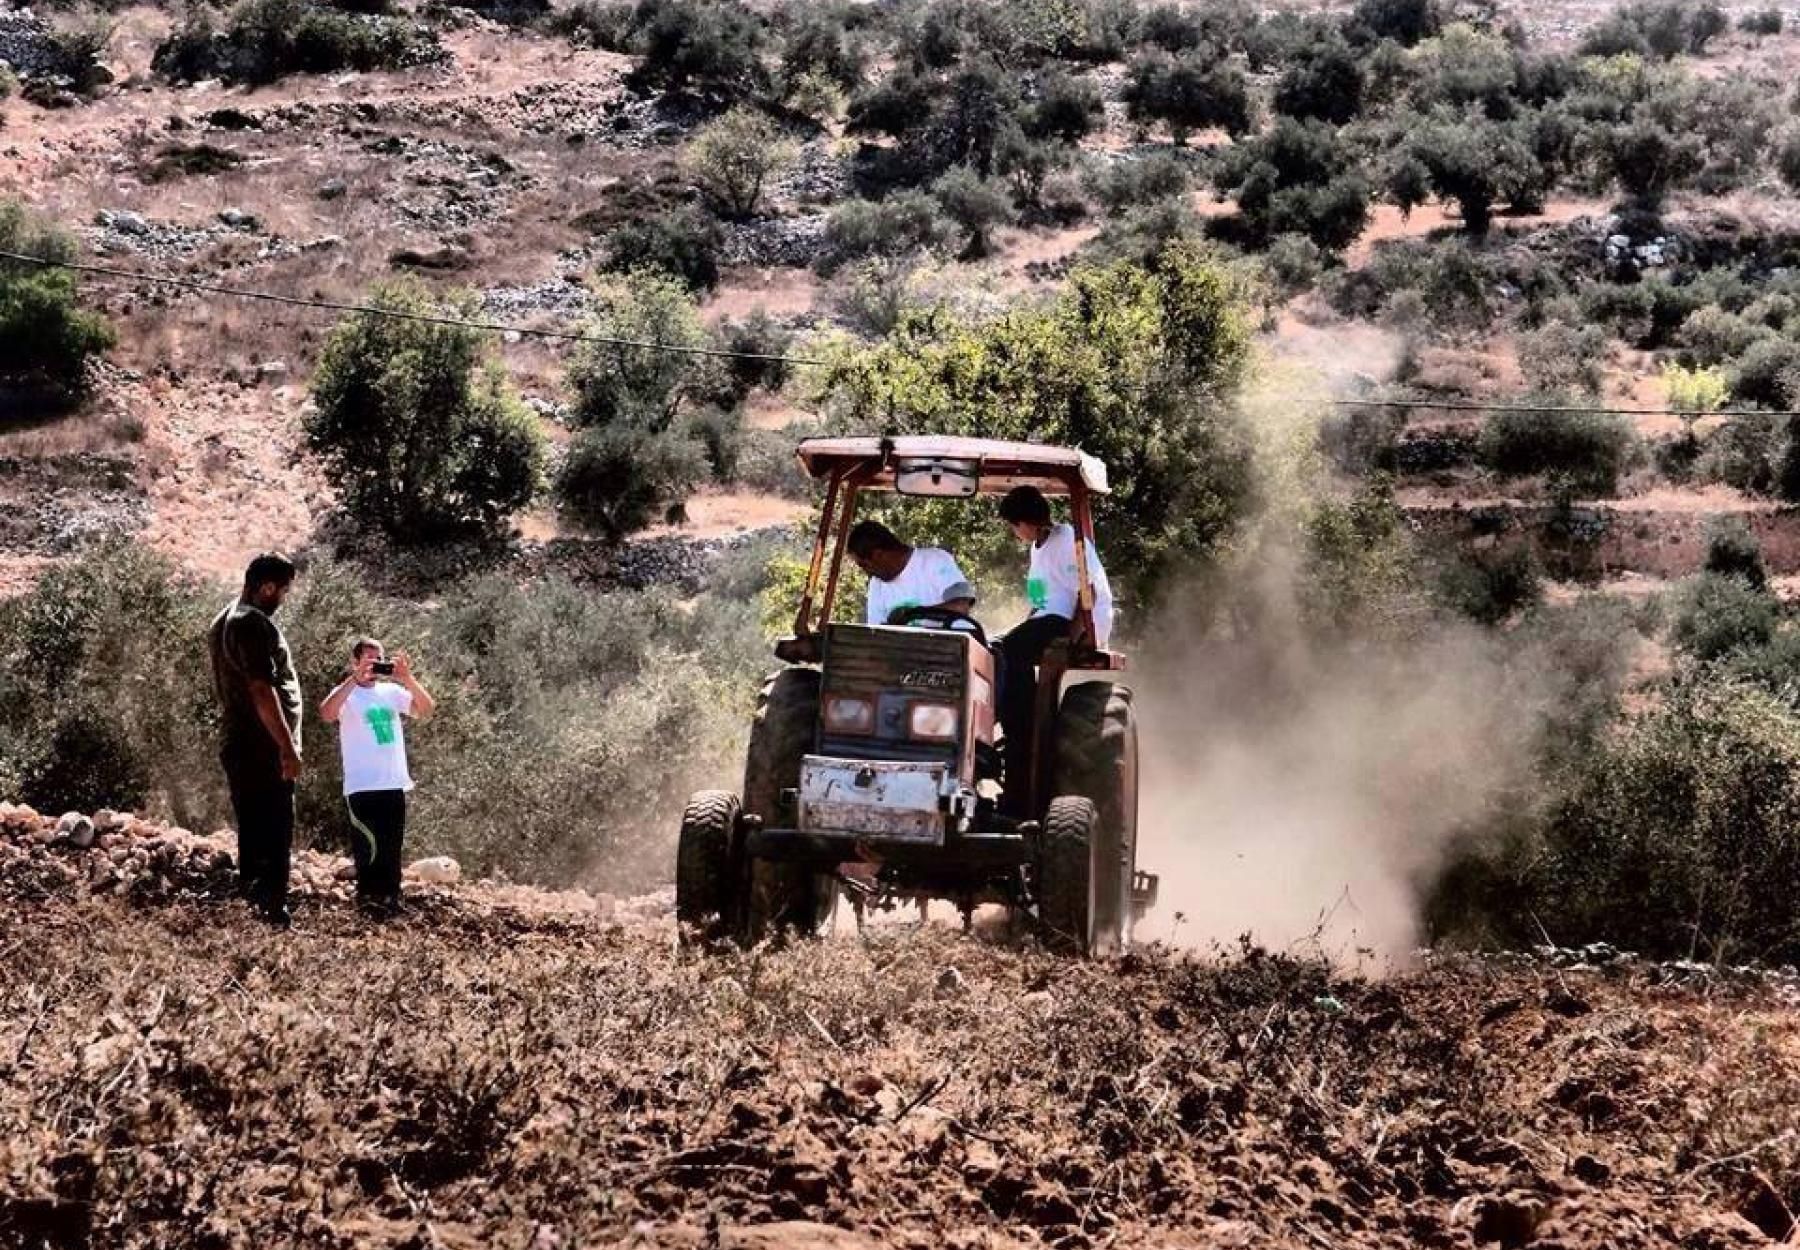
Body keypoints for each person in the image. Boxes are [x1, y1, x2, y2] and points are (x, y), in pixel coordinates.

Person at [993, 486, 1115, 794]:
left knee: (1012, 650)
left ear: (1026, 522)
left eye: (1014, 525)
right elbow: (1038, 594)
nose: (1014, 532)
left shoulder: (1068, 542)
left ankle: (1023, 719)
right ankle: (1008, 713)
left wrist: (1075, 637)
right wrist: (1024, 624)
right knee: (994, 647)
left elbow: (1088, 593)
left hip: (1076, 619)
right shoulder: (1037, 548)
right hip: (1049, 616)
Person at [208, 553, 303, 928]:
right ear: (266, 588)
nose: (283, 598)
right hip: (261, 748)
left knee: (253, 831)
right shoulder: (250, 623)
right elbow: (262, 690)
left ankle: (252, 913)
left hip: (242, 744)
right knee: (274, 831)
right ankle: (271, 916)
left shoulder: (224, 619)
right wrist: (287, 747)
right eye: (282, 591)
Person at [319, 638, 435, 917]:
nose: (375, 665)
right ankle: (368, 906)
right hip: (362, 787)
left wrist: (408, 679)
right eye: (369, 659)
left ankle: (391, 904)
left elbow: (427, 709)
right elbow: (326, 713)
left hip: (393, 783)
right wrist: (353, 680)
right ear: (355, 661)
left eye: (379, 658)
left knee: (391, 848)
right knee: (367, 848)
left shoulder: (391, 692)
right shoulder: (346, 694)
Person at [847, 520, 978, 626]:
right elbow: (875, 633)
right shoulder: (876, 585)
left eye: (864, 565)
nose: (866, 573)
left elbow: (961, 607)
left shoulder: (935, 560)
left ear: (878, 555)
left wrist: (914, 614)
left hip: (953, 652)